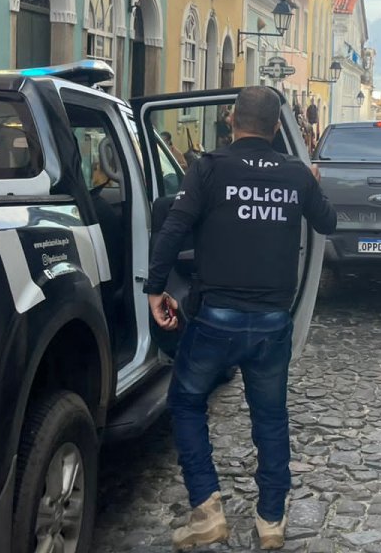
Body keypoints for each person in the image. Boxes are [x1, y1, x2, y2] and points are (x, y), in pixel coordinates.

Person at [146, 87, 337, 550]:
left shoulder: (208, 168)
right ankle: (271, 518)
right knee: (270, 416)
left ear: (231, 120)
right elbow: (327, 224)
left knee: (187, 401)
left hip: (215, 319)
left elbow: (173, 228)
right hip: (272, 322)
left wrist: (155, 289)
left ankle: (207, 508)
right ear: (276, 129)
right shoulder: (296, 174)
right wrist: (313, 179)